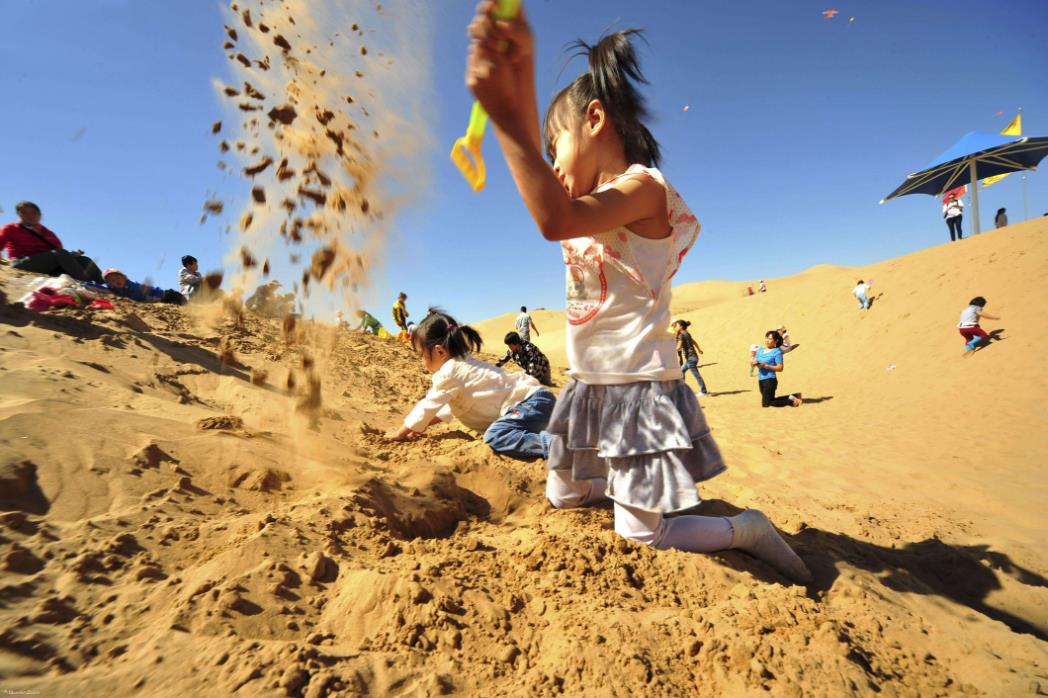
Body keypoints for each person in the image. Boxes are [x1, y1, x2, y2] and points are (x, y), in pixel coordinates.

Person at [466, 13, 810, 582]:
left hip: (637, 392)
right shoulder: (591, 199)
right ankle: (626, 481)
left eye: (558, 146)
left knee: (643, 533)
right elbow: (550, 195)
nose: (553, 164)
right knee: (564, 497)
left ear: (596, 119)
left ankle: (744, 528)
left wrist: (505, 112)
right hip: (587, 386)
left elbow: (553, 216)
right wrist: (519, 71)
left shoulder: (643, 189)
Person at [385, 310, 555, 459]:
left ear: (440, 351)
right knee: (511, 430)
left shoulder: (450, 372)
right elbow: (446, 408)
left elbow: (428, 406)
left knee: (496, 435)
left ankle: (557, 446)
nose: (422, 361)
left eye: (422, 355)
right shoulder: (464, 366)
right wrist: (422, 424)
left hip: (528, 405)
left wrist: (401, 433)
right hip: (536, 404)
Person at [0, 201, 103, 283]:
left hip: (48, 266)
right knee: (60, 254)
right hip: (22, 263)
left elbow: (59, 251)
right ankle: (86, 282)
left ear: (39, 215)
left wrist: (72, 256)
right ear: (19, 215)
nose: (29, 216)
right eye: (24, 213)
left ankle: (106, 284)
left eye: (33, 212)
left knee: (84, 260)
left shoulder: (48, 233)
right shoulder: (10, 228)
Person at [753, 330, 801, 408]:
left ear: (776, 341)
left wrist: (766, 365)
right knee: (769, 400)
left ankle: (795, 398)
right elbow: (756, 363)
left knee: (767, 403)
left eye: (770, 339)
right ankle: (795, 397)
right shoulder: (760, 350)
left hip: (770, 380)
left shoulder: (777, 352)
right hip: (761, 379)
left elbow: (780, 368)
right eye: (766, 338)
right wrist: (754, 363)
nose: (767, 340)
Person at [88, 268, 186, 305]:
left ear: (125, 277)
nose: (116, 281)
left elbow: (140, 299)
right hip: (157, 299)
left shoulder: (132, 286)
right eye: (112, 280)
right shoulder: (110, 288)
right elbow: (98, 287)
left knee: (186, 304)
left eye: (118, 277)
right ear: (109, 284)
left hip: (167, 296)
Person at [673, 319, 708, 396]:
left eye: (677, 326)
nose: (675, 327)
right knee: (681, 372)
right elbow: (692, 342)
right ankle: (682, 390)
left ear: (681, 326)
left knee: (696, 375)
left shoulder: (681, 335)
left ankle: (704, 391)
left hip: (690, 359)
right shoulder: (687, 333)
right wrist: (698, 349)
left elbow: (678, 347)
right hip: (692, 358)